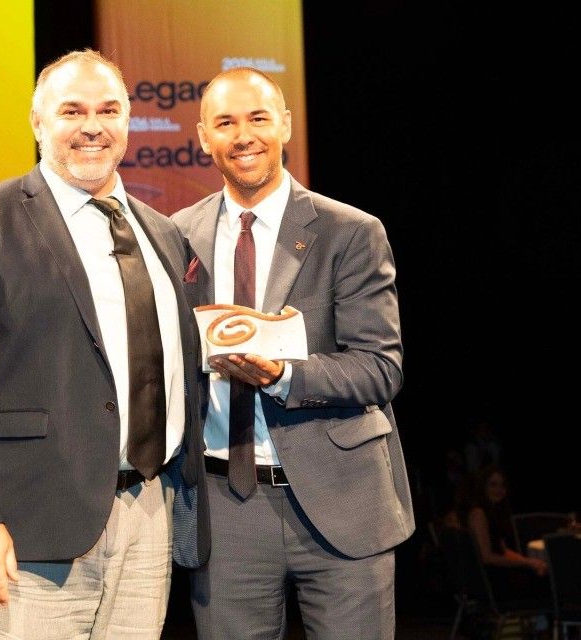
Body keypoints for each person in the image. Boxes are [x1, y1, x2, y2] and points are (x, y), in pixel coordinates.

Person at [0, 49, 200, 639]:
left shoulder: (161, 232)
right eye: (72, 110)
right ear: (38, 123)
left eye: (108, 109)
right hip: (26, 528)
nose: (92, 125)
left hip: (146, 517)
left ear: (127, 122)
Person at [170, 67, 415, 640]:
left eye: (257, 118)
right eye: (225, 122)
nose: (243, 135)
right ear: (203, 137)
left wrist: (282, 375)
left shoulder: (350, 231)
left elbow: (381, 367)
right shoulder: (175, 234)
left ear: (284, 124)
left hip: (341, 500)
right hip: (225, 506)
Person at [455, 464, 549, 602]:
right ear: (483, 487)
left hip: (499, 574)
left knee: (544, 572)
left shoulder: (492, 513)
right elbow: (487, 557)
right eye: (493, 485)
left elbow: (503, 550)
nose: (499, 490)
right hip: (492, 582)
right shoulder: (478, 513)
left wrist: (530, 562)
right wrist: (527, 564)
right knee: (546, 581)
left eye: (502, 485)